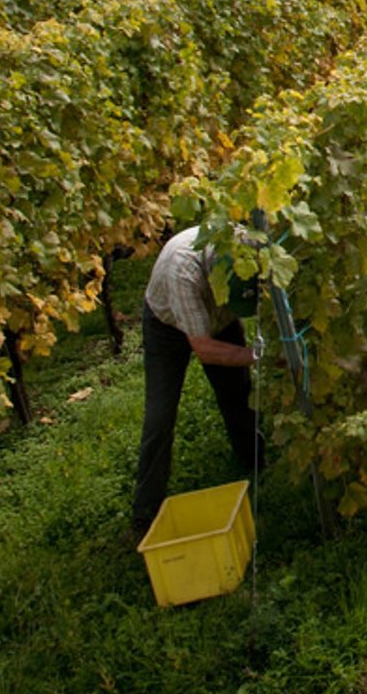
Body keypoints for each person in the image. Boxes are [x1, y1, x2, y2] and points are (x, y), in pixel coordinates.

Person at [130, 227, 264, 535]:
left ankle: (254, 461)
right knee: (160, 416)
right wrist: (257, 356)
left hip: (219, 319)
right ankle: (145, 513)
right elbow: (204, 348)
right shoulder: (183, 273)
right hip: (168, 328)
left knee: (238, 392)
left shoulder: (245, 243)